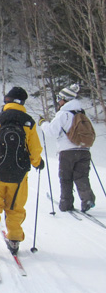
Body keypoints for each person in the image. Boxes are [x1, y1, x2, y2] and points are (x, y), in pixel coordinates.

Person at [0, 87, 44, 253]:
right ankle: (14, 238)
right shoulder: (29, 122)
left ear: (7, 100)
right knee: (15, 206)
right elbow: (35, 148)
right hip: (19, 173)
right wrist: (37, 162)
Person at [40, 84, 95, 212]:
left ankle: (66, 204)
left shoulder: (63, 114)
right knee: (82, 176)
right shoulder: (82, 113)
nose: (58, 101)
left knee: (65, 178)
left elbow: (51, 131)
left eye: (60, 98)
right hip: (84, 150)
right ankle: (87, 199)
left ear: (65, 99)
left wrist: (43, 123)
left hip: (67, 152)